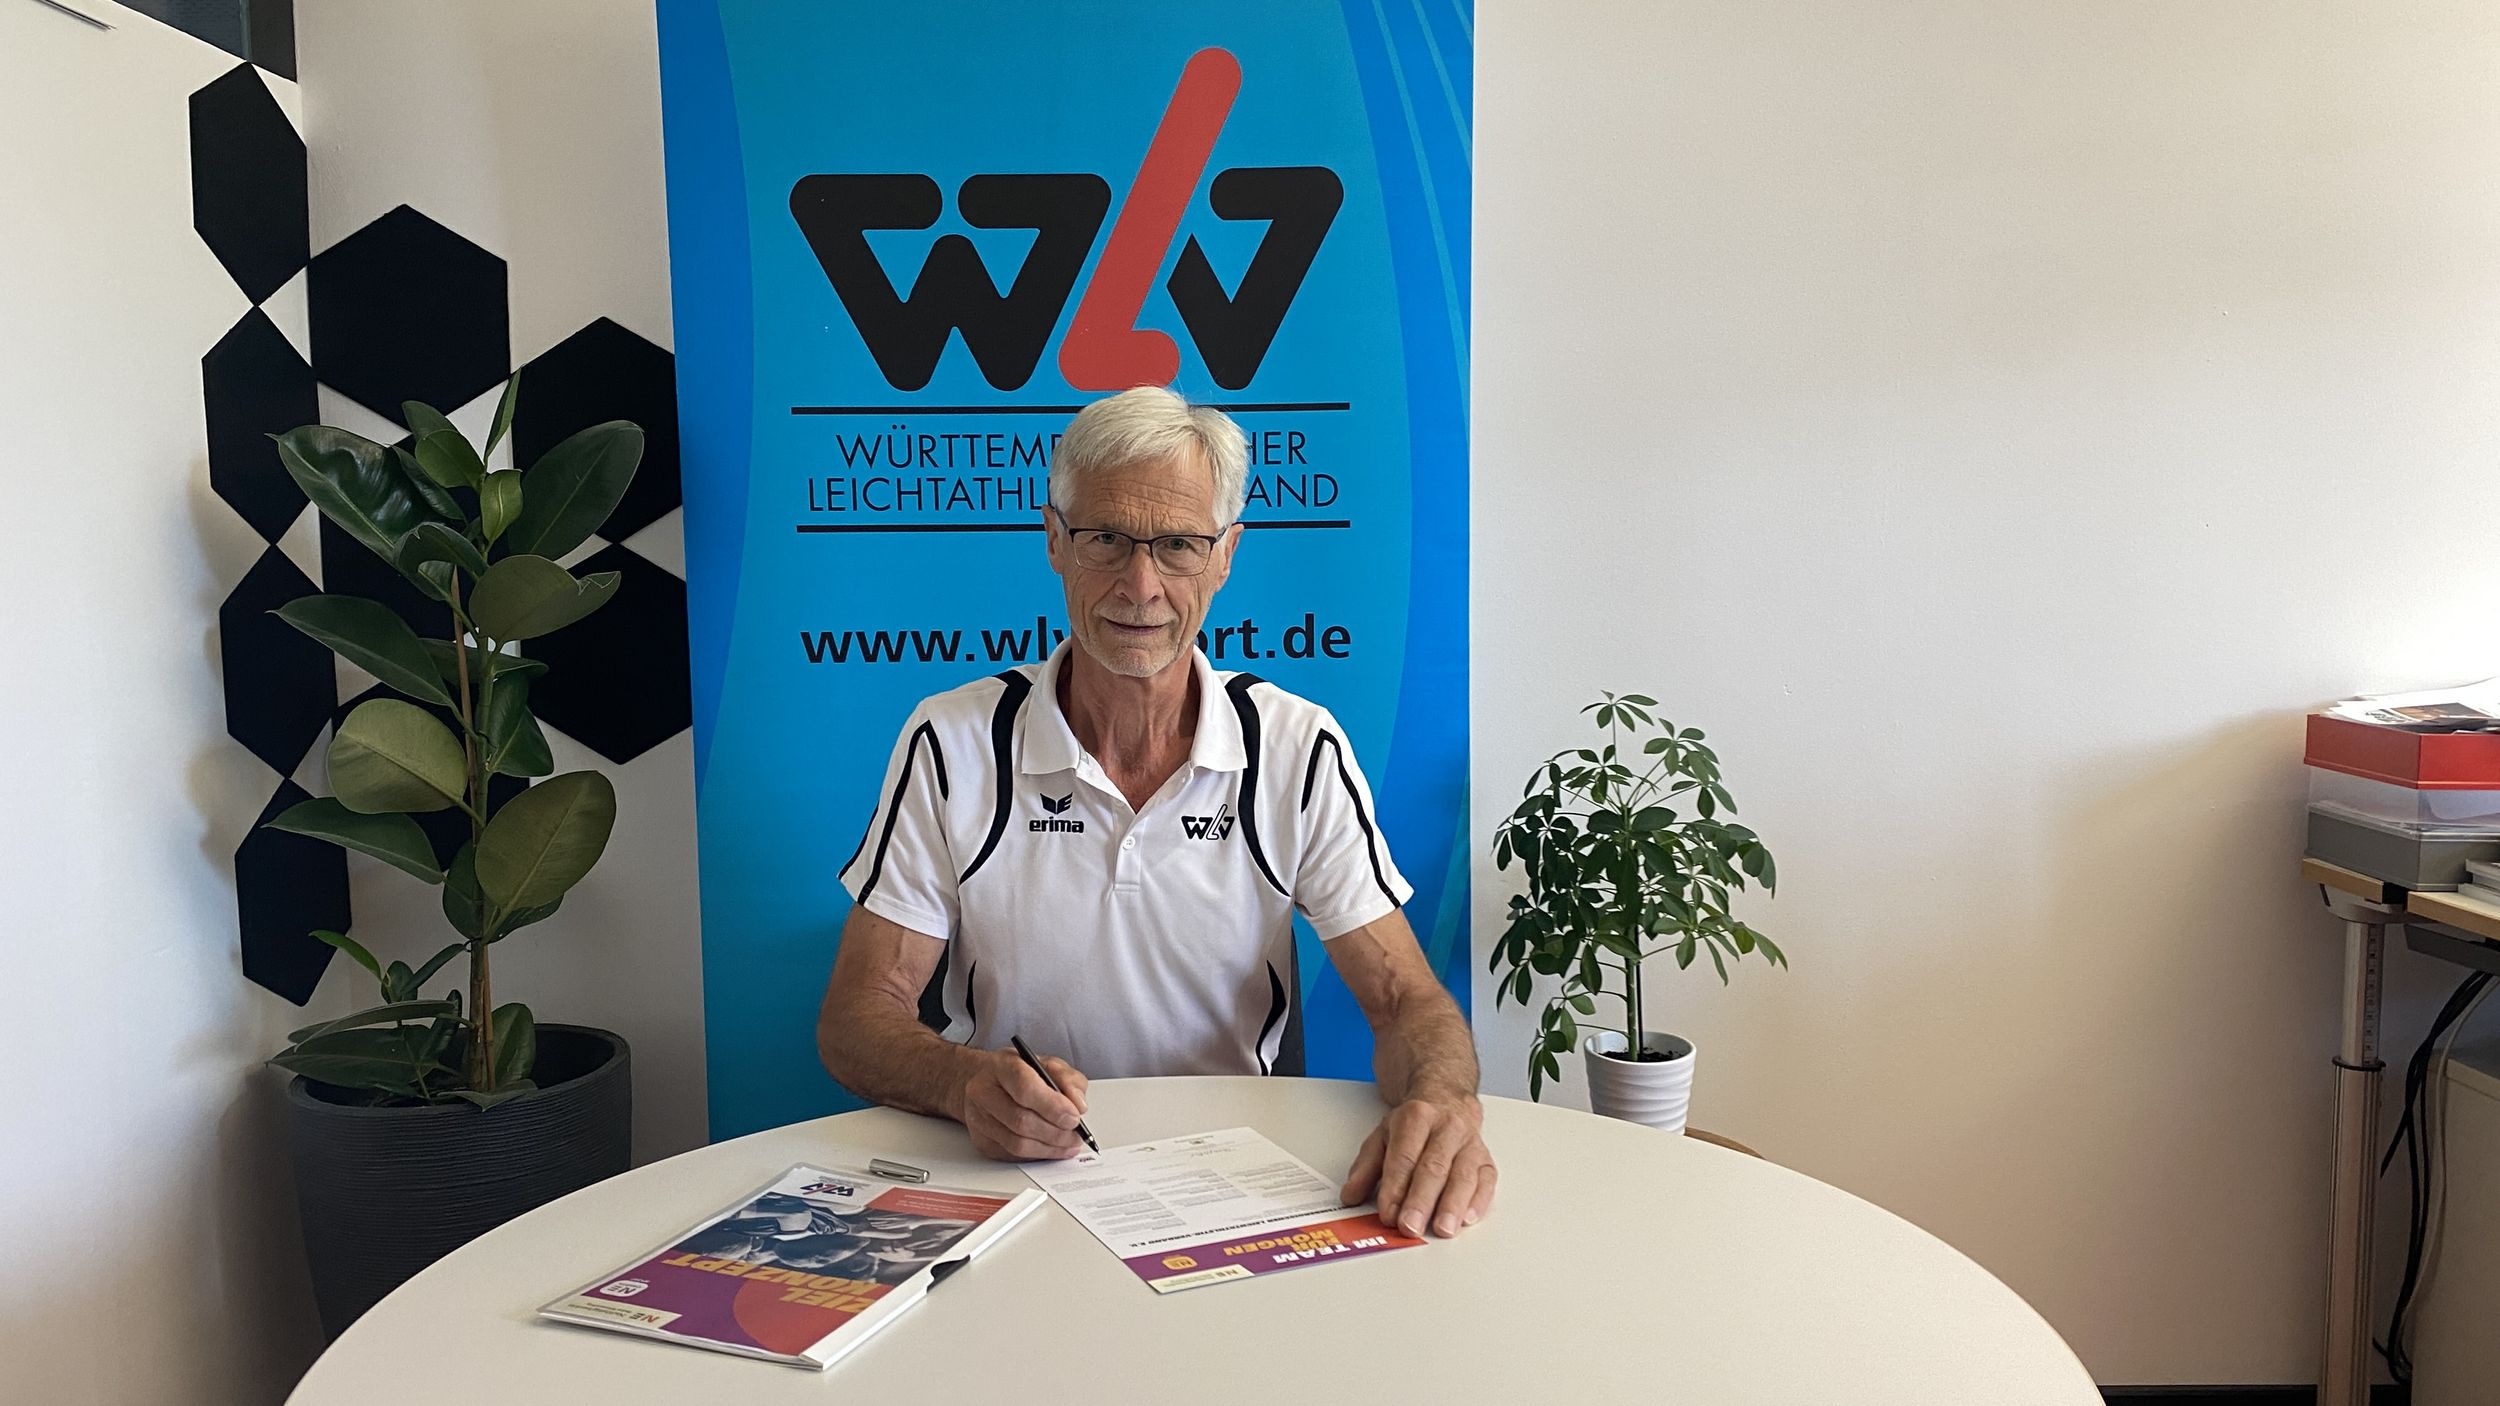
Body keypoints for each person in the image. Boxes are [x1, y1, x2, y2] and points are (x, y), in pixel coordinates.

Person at [815, 386, 1495, 1240]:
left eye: (1178, 545)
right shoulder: (953, 741)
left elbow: (1405, 1002)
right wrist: (962, 1084)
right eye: (1106, 539)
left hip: (1232, 1185)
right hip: (1011, 1179)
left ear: (1225, 555)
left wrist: (1443, 1104)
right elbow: (856, 1018)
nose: (1141, 586)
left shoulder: (1296, 747)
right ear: (1055, 541)